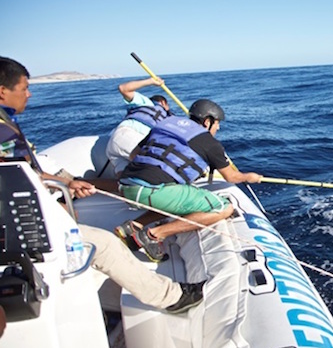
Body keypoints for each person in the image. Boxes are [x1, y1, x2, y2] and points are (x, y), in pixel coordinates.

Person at [0, 56, 203, 313]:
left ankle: (102, 304)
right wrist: (63, 189)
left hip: (19, 219)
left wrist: (68, 184)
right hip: (12, 233)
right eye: (24, 88)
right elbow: (17, 177)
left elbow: (20, 172)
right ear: (3, 91)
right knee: (105, 244)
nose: (29, 94)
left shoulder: (6, 125)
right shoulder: (3, 131)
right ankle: (172, 298)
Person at [115, 99, 262, 262]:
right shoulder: (210, 143)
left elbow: (133, 154)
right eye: (217, 123)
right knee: (223, 208)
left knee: (174, 196)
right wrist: (251, 177)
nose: (218, 127)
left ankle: (132, 226)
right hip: (150, 191)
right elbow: (232, 177)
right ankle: (153, 235)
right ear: (207, 121)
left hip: (125, 185)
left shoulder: (165, 124)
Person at [105, 76, 172, 177]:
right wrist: (150, 81)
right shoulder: (147, 103)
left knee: (124, 181)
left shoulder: (140, 108)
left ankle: (78, 183)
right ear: (163, 103)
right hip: (130, 139)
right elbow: (123, 88)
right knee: (158, 171)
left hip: (113, 146)